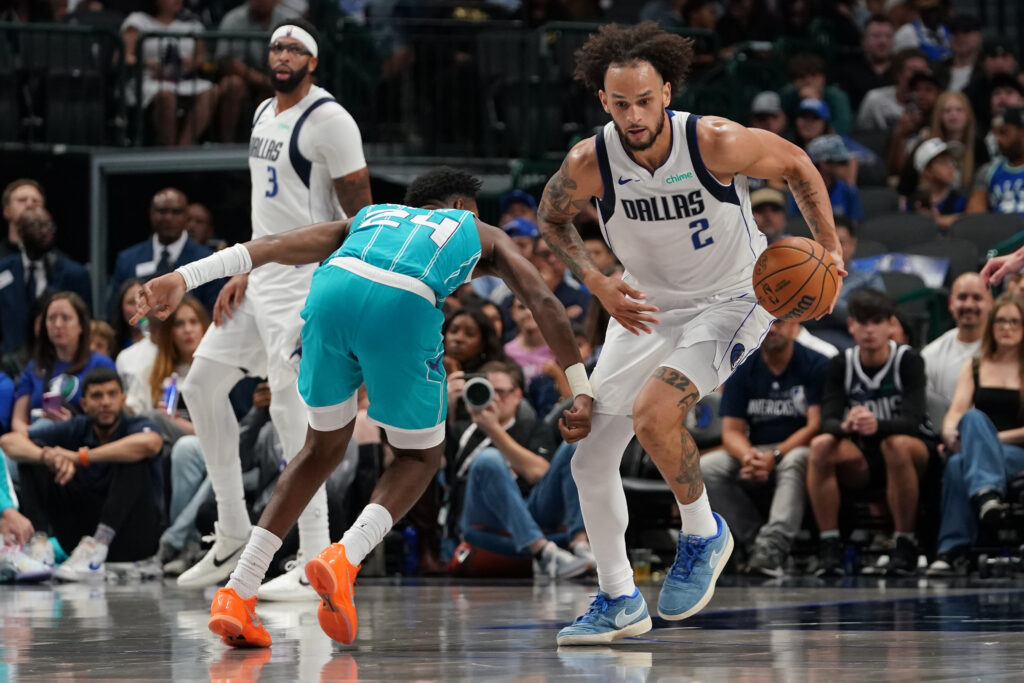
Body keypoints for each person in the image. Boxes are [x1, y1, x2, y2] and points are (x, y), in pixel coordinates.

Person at [132, 167, 593, 648]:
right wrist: (580, 385)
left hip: (332, 292)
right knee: (418, 456)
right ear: (460, 210)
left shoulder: (370, 216)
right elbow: (542, 298)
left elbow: (274, 245)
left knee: (318, 450)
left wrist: (185, 276)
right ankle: (344, 558)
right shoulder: (475, 229)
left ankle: (236, 594)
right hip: (403, 303)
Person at [532, 22, 842, 645]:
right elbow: (551, 216)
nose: (634, 114)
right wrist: (595, 280)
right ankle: (618, 598)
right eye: (620, 103)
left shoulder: (715, 142)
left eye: (644, 100)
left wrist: (829, 248)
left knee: (655, 414)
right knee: (589, 458)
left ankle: (703, 533)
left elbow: (798, 165)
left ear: (666, 91)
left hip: (732, 299)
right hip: (645, 304)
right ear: (603, 102)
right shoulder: (590, 161)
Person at [172, 17, 374, 602]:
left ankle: (314, 558)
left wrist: (343, 287)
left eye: (295, 47)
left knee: (291, 413)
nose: (282, 54)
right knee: (202, 385)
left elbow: (360, 214)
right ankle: (234, 529)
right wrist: (245, 264)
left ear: (313, 62)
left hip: (309, 279)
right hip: (262, 278)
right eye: (276, 46)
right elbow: (272, 211)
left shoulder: (331, 120)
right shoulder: (263, 111)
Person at [807, 289, 935, 577]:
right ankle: (830, 545)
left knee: (895, 445)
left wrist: (877, 424)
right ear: (851, 325)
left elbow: (914, 421)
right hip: (864, 455)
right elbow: (827, 420)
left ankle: (905, 543)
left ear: (890, 325)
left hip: (914, 452)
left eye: (876, 321)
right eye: (862, 322)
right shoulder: (842, 363)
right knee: (821, 446)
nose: (869, 330)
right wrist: (846, 425)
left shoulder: (908, 360)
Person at [0, 367, 164, 581]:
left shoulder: (136, 424)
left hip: (133, 537)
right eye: (97, 396)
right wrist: (47, 457)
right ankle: (39, 547)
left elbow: (152, 443)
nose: (105, 402)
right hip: (78, 539)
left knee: (131, 456)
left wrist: (79, 458)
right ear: (84, 404)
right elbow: (8, 441)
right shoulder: (78, 427)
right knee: (34, 453)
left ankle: (99, 544)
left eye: (112, 394)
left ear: (123, 400)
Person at [701, 318, 827, 577]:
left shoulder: (816, 363)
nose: (772, 329)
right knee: (707, 467)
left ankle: (774, 546)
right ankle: (755, 541)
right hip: (756, 449)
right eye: (767, 322)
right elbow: (731, 431)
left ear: (794, 325)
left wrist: (775, 455)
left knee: (797, 460)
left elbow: (816, 426)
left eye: (779, 322)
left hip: (796, 448)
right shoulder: (745, 365)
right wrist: (749, 456)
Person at [449, 360, 592, 578]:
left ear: (517, 395)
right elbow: (429, 465)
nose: (494, 398)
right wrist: (443, 404)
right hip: (482, 522)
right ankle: (542, 552)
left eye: (501, 392)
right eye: (486, 390)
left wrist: (494, 430)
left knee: (574, 447)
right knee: (488, 459)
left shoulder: (533, 427)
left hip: (533, 513)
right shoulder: (461, 430)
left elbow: (540, 474)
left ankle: (581, 544)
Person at [929, 293, 1024, 575]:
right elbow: (957, 410)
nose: (1007, 327)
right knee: (970, 421)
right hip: (979, 452)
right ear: (992, 326)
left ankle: (950, 550)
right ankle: (986, 497)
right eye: (1001, 321)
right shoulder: (974, 366)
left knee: (965, 456)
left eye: (1015, 322)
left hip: (1017, 452)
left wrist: (987, 442)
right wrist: (948, 433)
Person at [10, 293, 117, 436]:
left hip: (83, 442)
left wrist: (73, 424)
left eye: (65, 318)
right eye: (52, 318)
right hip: (38, 443)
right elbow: (18, 421)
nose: (58, 324)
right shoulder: (34, 367)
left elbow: (111, 415)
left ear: (81, 326)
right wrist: (33, 437)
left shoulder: (100, 363)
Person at [108, 188, 225, 316]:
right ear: (151, 214)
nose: (168, 218)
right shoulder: (127, 260)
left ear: (187, 217)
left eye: (176, 212)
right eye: (162, 211)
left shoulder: (208, 259)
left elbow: (215, 313)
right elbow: (114, 315)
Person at [121, 0, 217, 146]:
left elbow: (201, 58)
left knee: (212, 91)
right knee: (166, 95)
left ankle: (183, 148)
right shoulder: (138, 21)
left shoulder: (192, 23)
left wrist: (192, 63)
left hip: (183, 79)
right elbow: (123, 56)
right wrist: (148, 63)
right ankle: (169, 146)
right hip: (147, 80)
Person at [0, 207, 92, 355]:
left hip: (60, 357)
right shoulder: (3, 270)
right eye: (36, 226)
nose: (44, 232)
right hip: (9, 360)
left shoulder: (74, 274)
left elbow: (87, 322)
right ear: (20, 232)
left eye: (49, 226)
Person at [214, 0, 298, 141]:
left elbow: (298, 58)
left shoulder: (289, 21)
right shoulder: (233, 19)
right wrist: (263, 81)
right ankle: (226, 143)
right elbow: (226, 62)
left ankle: (288, 143)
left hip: (278, 76)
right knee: (232, 85)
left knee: (299, 84)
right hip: (245, 79)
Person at [921, 273, 993, 403]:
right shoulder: (930, 355)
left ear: (991, 303)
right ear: (951, 303)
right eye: (962, 297)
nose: (969, 305)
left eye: (977, 298)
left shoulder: (1008, 351)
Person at [787, 135, 864, 225]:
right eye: (842, 162)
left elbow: (855, 227)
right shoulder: (799, 193)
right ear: (824, 165)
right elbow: (795, 226)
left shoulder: (848, 190)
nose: (847, 167)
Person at [856, 48, 931, 132]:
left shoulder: (933, 102)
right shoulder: (875, 100)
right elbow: (861, 136)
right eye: (914, 71)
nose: (919, 76)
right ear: (898, 74)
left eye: (923, 71)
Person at [968, 107, 1024, 216]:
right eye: (995, 134)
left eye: (1004, 132)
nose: (997, 140)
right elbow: (974, 217)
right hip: (1001, 231)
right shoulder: (988, 171)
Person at [832, 14, 894, 110]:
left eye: (888, 36)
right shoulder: (848, 71)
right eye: (876, 36)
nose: (883, 41)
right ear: (863, 41)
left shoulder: (901, 72)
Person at [906, 138, 968, 228]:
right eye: (942, 162)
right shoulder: (914, 203)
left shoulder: (961, 201)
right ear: (927, 172)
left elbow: (969, 222)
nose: (950, 166)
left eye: (950, 161)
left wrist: (937, 220)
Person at [1, 179, 44, 259]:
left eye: (35, 201)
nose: (29, 205)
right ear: (6, 211)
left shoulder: (58, 264)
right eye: (22, 200)